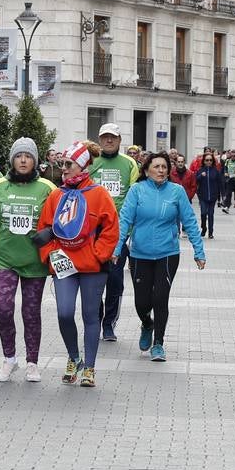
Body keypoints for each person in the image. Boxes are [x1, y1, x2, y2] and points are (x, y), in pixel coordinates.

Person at [35, 141, 119, 388]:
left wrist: (98, 255)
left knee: (90, 315)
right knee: (64, 313)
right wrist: (52, 256)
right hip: (64, 264)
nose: (64, 169)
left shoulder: (99, 194)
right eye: (62, 164)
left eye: (68, 164)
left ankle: (89, 368)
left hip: (92, 267)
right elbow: (45, 229)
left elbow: (111, 229)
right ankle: (74, 357)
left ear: (82, 165)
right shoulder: (56, 195)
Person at [0, 137, 56, 383]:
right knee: (3, 307)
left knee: (31, 313)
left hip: (34, 262)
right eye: (19, 156)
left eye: (28, 156)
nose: (23, 160)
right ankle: (9, 358)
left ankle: (32, 362)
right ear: (12, 159)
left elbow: (61, 220)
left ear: (35, 161)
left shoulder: (47, 188)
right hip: (4, 260)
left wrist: (50, 232)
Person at [115, 152, 206, 361]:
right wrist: (117, 248)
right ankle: (147, 324)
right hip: (140, 254)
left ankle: (158, 343)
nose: (161, 170)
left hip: (167, 254)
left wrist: (198, 252)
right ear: (147, 170)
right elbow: (125, 220)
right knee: (141, 302)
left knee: (160, 298)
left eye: (164, 167)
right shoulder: (137, 190)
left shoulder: (176, 192)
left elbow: (190, 221)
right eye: (156, 167)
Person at [88, 123, 139, 341]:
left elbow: (136, 198)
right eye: (105, 137)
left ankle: (109, 323)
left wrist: (131, 232)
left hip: (119, 232)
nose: (109, 141)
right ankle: (96, 319)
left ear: (119, 140)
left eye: (113, 138)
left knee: (115, 281)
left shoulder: (129, 164)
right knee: (93, 279)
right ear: (99, 140)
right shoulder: (91, 162)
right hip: (92, 232)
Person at [194, 150, 224, 239]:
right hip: (203, 196)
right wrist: (200, 176)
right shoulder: (200, 170)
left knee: (211, 214)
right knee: (203, 213)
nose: (209, 162)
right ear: (204, 161)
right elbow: (195, 181)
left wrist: (222, 195)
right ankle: (204, 228)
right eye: (207, 160)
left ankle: (211, 232)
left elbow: (220, 183)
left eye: (210, 160)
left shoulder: (215, 171)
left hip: (213, 196)